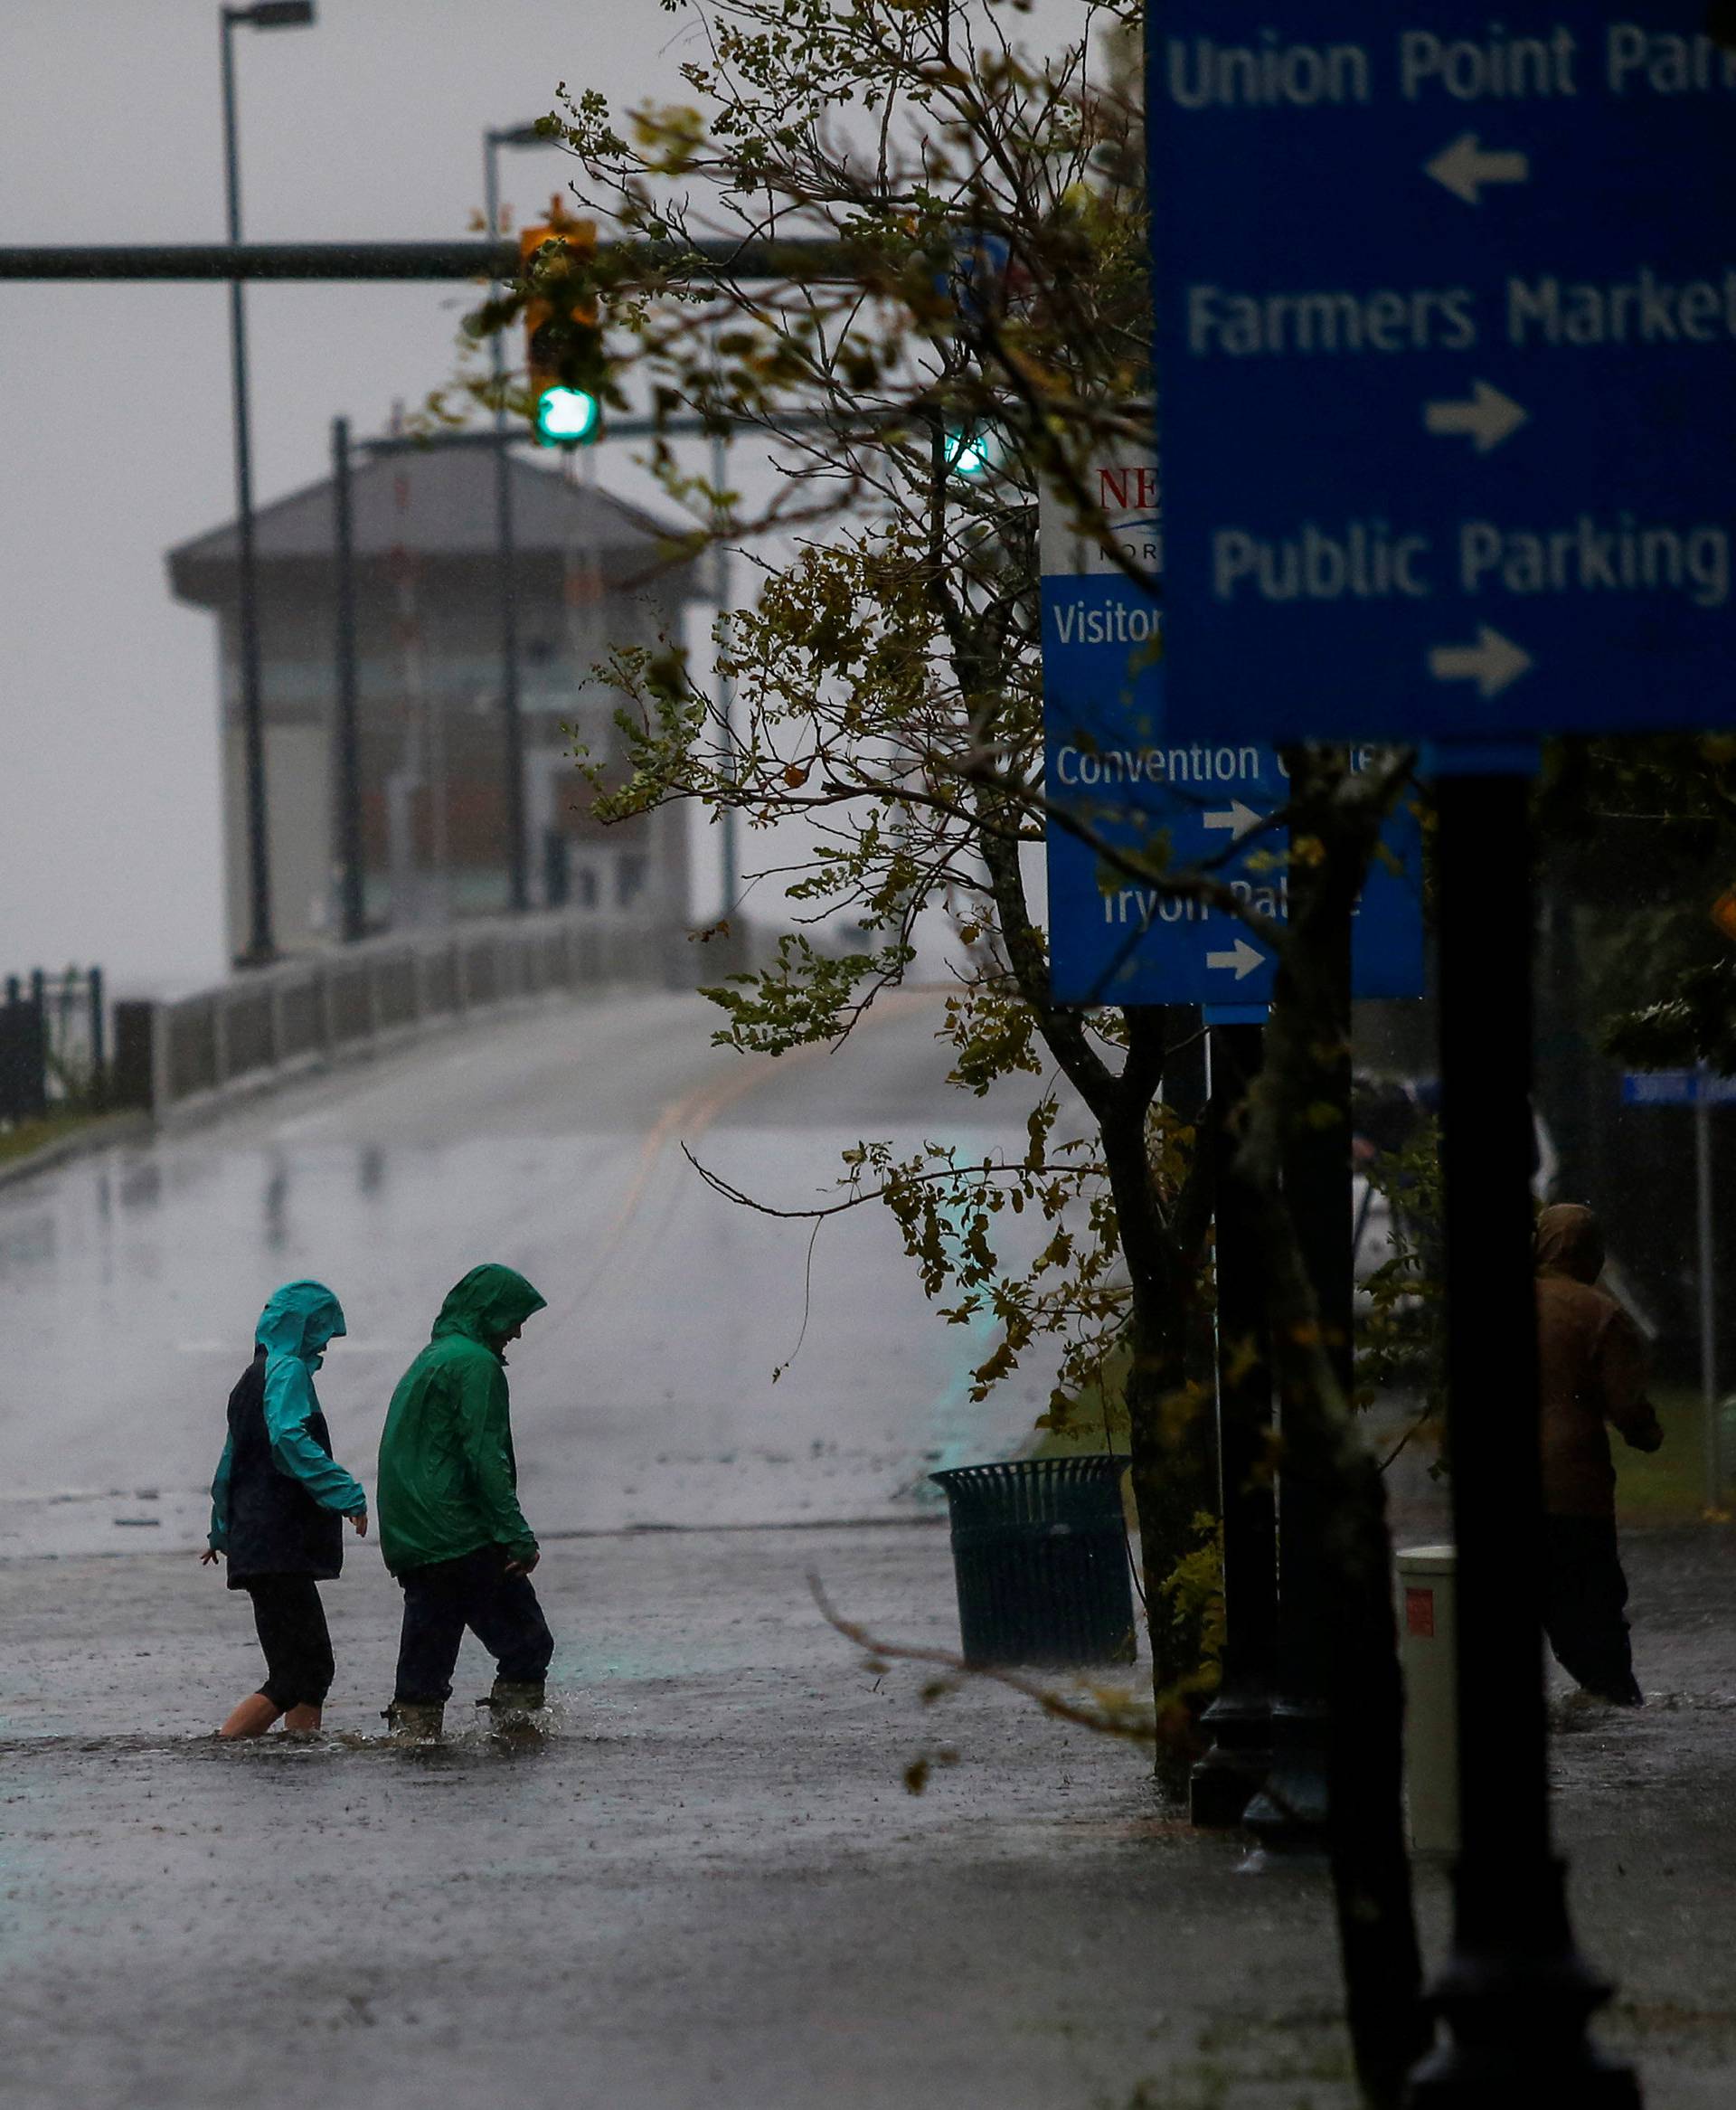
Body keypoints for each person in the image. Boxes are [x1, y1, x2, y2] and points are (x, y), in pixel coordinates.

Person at [376, 1263, 552, 1738]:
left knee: (424, 1669)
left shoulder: (431, 1359)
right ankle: (516, 1740)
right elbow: (484, 1457)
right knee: (528, 1644)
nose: (517, 1331)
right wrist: (516, 1536)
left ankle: (415, 1747)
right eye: (514, 1319)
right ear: (491, 1314)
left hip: (414, 1538)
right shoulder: (476, 1365)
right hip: (459, 1532)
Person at [202, 1280, 370, 1738]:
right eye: (321, 1332)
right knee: (297, 1672)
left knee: (310, 1668)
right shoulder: (286, 1372)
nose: (324, 1346)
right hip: (279, 1545)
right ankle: (223, 1746)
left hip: (258, 1546)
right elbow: (288, 1440)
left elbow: (228, 1465)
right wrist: (345, 1493)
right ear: (301, 1328)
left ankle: (302, 1750)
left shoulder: (248, 1379)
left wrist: (220, 1530)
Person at [1534, 1202, 1664, 1706]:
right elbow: (1627, 1406)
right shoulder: (1601, 1314)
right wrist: (1647, 1432)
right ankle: (1617, 1707)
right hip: (1573, 1494)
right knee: (1593, 1618)